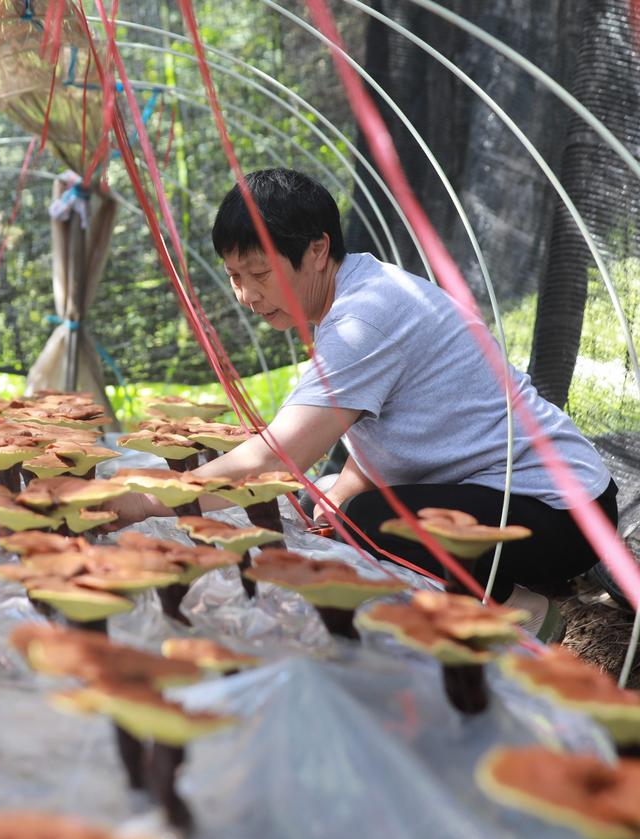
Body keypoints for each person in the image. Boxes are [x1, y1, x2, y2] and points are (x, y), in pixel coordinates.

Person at [110, 168, 618, 635]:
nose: (247, 296)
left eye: (260, 275)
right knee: (336, 499)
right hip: (519, 496)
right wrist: (334, 497)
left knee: (370, 521)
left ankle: (520, 611)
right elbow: (389, 432)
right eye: (235, 277)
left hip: (564, 512)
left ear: (316, 250)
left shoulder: (364, 320)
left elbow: (275, 460)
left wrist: (141, 501)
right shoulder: (364, 290)